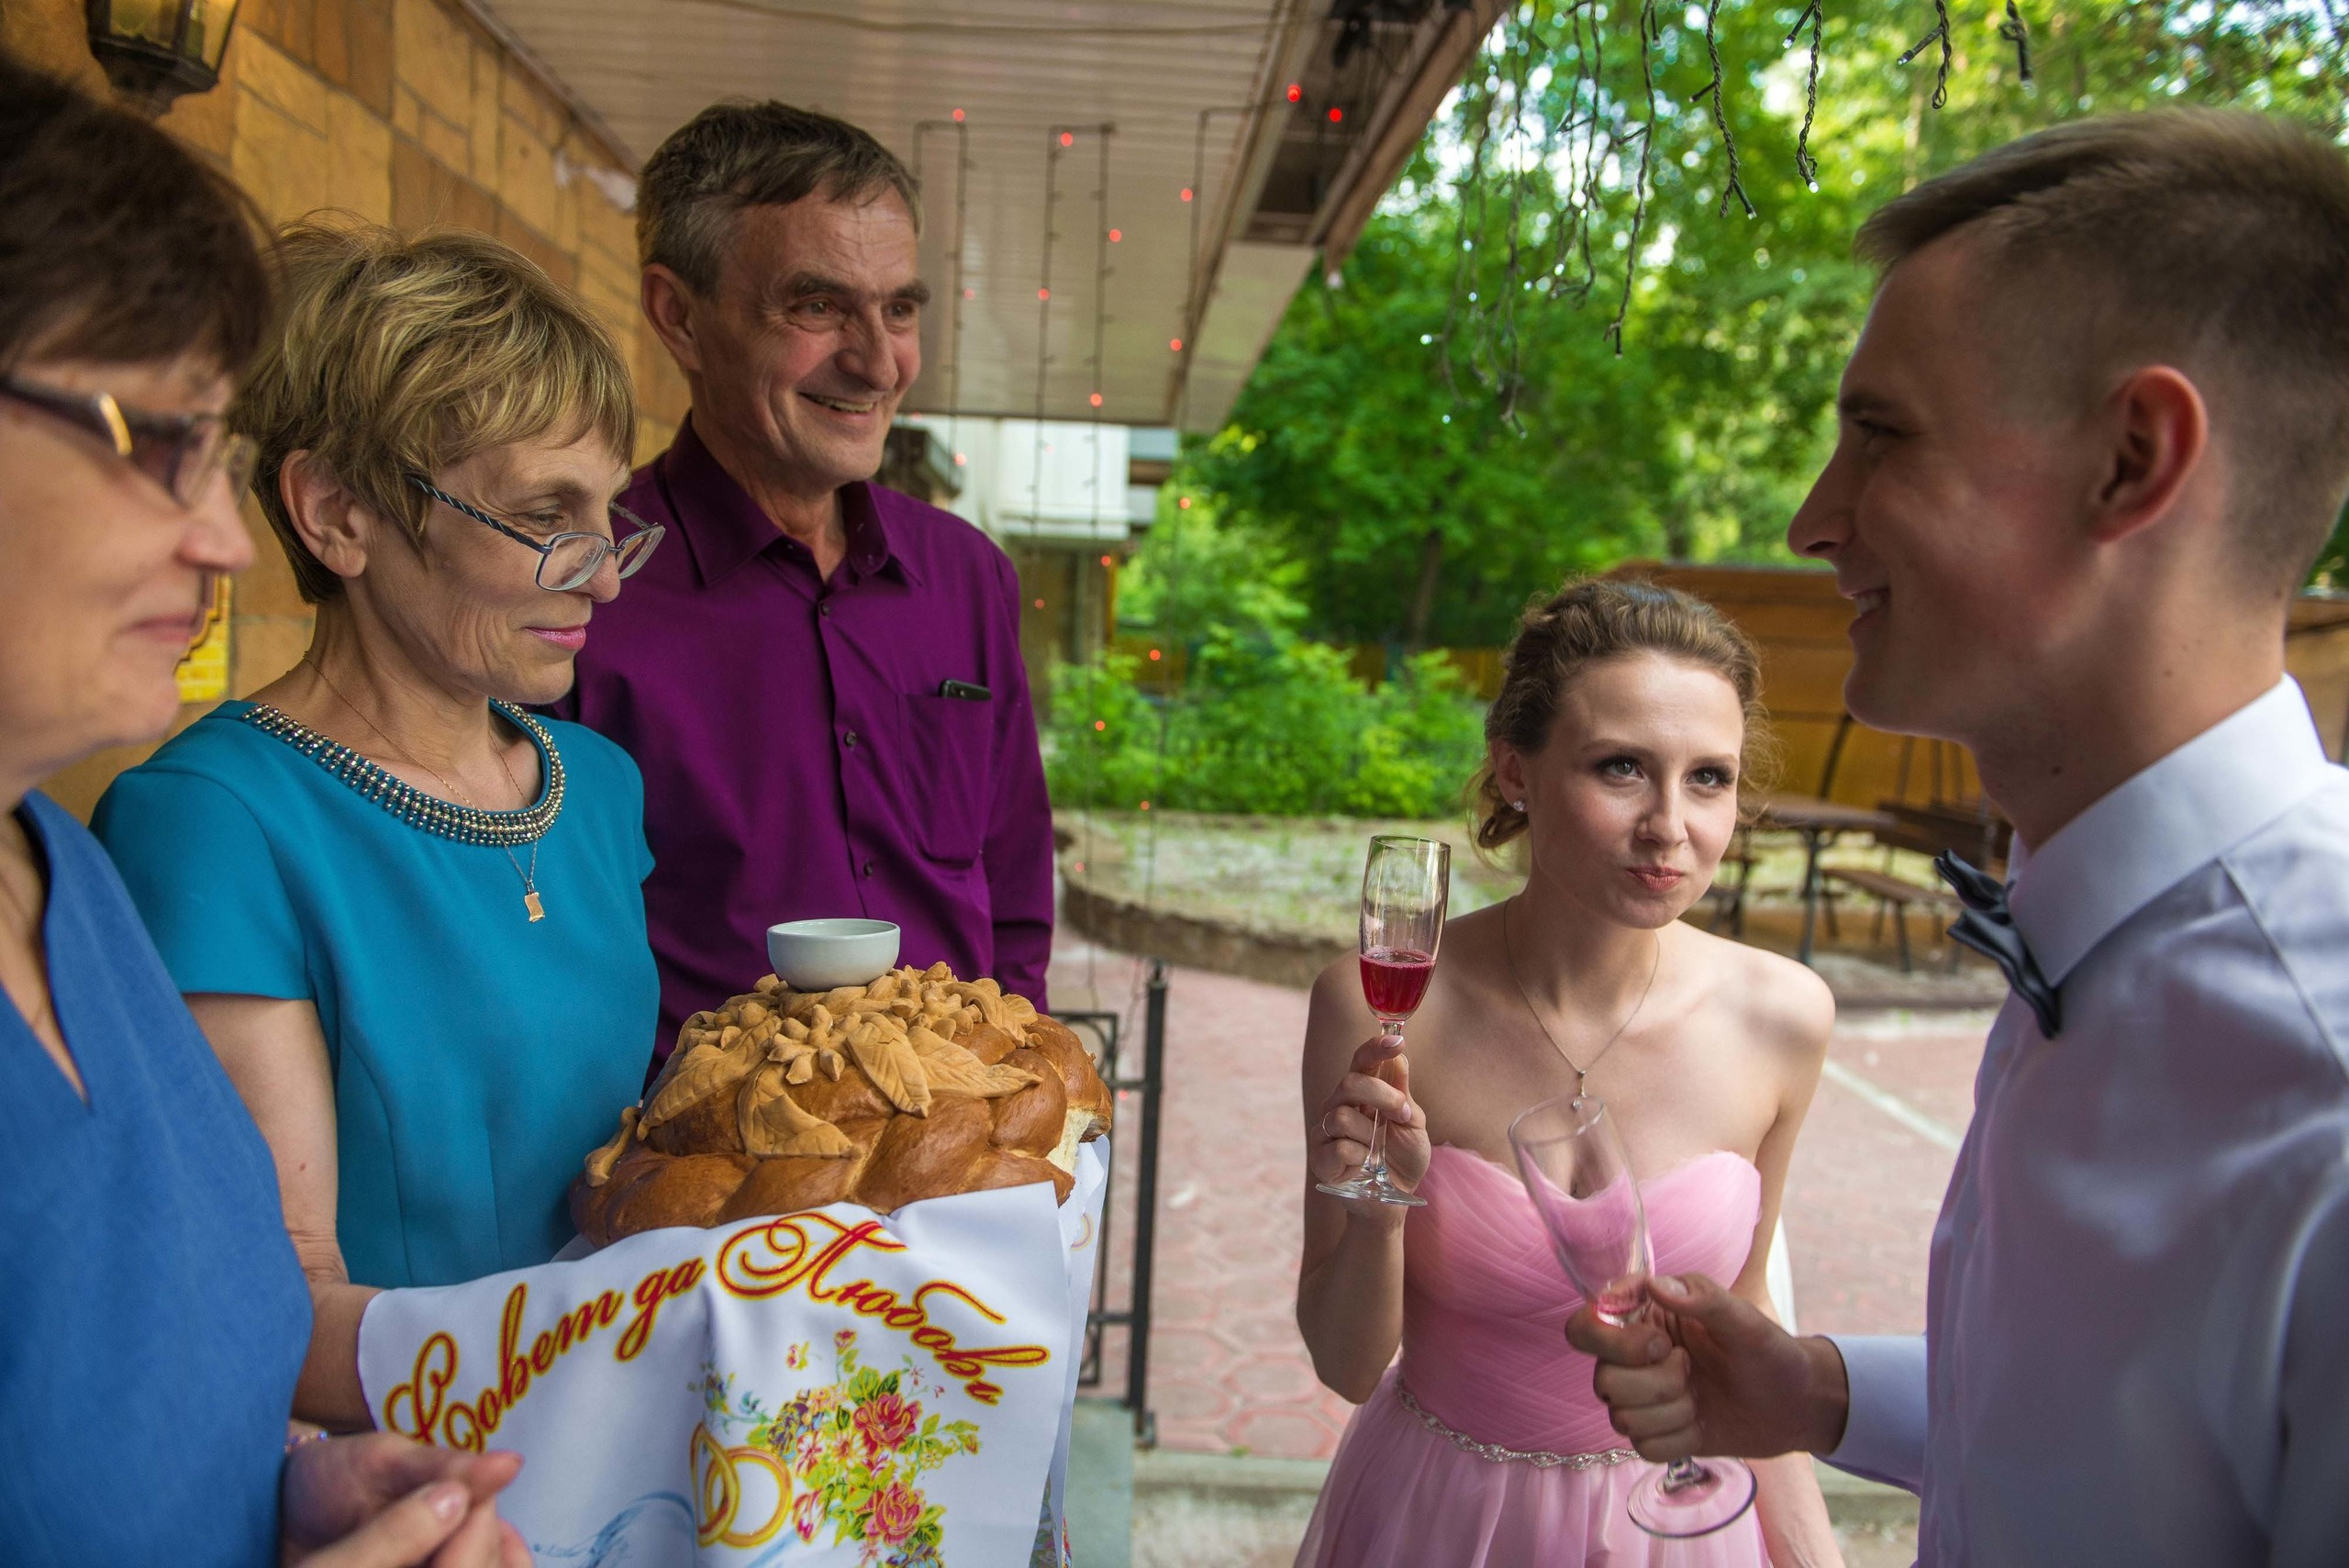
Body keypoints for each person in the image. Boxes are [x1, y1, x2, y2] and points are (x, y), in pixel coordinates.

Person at [1569, 111, 2349, 1566]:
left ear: (2135, 460)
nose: (1815, 519)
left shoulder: (2322, 1086)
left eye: (1881, 436)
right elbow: (2124, 1422)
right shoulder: (2093, 925)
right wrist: (1818, 1389)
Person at [0, 56, 525, 1564]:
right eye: (159, 440)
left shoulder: (64, 876)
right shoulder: (198, 813)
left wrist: (293, 1492)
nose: (225, 537)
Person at [91, 223, 662, 1432]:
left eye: (610, 515)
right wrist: (649, 1332)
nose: (605, 576)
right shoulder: (211, 821)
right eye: (546, 514)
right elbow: (278, 1305)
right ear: (337, 512)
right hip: (402, 1482)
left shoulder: (600, 786)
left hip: (623, 1425)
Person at [1295, 579, 1842, 1566]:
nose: (1670, 824)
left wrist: (1808, 1549)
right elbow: (1344, 1363)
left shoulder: (1784, 1016)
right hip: (1442, 1518)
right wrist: (1377, 1215)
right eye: (1622, 767)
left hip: (1681, 1530)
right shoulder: (1381, 1008)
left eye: (1709, 777)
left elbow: (1750, 1307)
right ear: (1515, 771)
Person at [551, 100, 1054, 1075]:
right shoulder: (583, 586)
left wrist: (1017, 1094)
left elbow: (1015, 890)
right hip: (701, 1186)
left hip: (950, 1166)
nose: (877, 361)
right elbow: (548, 942)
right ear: (679, 315)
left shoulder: (968, 577)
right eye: (818, 306)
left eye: (899, 308)